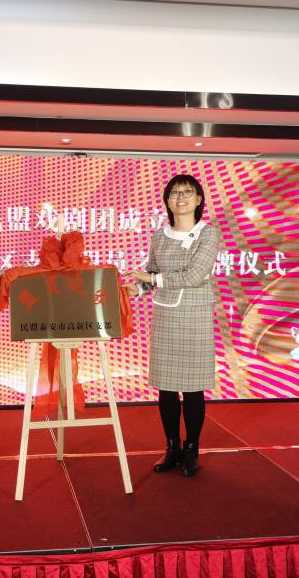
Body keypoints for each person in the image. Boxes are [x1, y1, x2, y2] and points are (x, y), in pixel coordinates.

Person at [126, 174, 220, 476]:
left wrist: (151, 279)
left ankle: (191, 449)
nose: (181, 198)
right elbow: (152, 274)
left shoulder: (208, 233)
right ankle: (171, 447)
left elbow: (194, 276)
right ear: (167, 201)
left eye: (187, 192)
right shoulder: (160, 235)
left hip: (195, 318)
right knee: (166, 389)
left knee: (193, 389)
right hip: (166, 317)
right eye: (175, 193)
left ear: (199, 199)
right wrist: (136, 289)